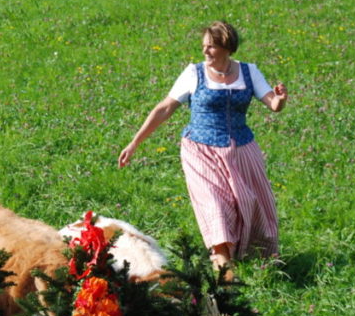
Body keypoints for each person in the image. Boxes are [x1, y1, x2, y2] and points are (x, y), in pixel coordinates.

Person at [118, 21, 288, 274]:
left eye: (211, 47)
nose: (205, 52)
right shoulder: (193, 73)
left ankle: (258, 262)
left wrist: (280, 100)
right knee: (214, 206)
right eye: (204, 46)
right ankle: (224, 270)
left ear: (227, 48)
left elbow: (272, 103)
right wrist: (135, 143)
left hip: (241, 149)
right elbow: (165, 108)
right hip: (201, 150)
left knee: (251, 202)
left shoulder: (249, 72)